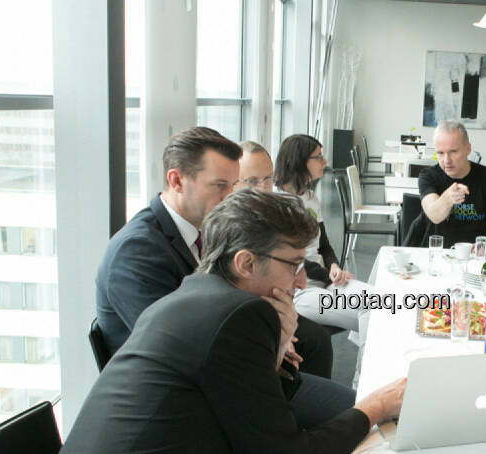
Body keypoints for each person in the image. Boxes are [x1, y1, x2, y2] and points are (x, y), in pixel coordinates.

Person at [7, 189, 406, 454]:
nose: (301, 281)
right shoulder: (239, 316)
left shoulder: (197, 293)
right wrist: (374, 406)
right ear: (246, 263)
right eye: (294, 265)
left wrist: (278, 349)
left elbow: (257, 411)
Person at [95, 127, 334, 378]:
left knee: (314, 342)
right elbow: (177, 344)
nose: (230, 196)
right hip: (178, 387)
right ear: (176, 181)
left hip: (217, 351)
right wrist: (269, 344)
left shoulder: (202, 226)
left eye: (232, 185)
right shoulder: (136, 251)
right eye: (220, 185)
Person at [274, 134, 372, 345]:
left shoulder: (310, 198)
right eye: (318, 157)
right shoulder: (278, 204)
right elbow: (293, 260)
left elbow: (324, 245)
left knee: (379, 300)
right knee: (373, 315)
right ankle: (364, 378)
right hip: (300, 290)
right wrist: (331, 274)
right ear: (299, 161)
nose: (325, 162)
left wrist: (334, 265)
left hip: (326, 280)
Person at [418, 120, 486, 247]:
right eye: (440, 153)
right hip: (439, 253)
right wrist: (448, 198)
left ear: (468, 149)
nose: (446, 160)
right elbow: (434, 215)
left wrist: (485, 245)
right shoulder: (428, 176)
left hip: (475, 256)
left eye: (453, 152)